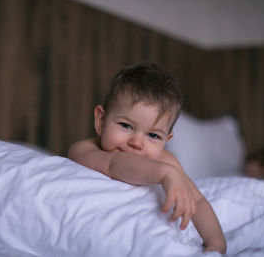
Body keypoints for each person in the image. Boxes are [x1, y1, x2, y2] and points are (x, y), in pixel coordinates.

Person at [68, 62, 227, 253]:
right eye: (126, 125)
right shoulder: (83, 150)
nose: (137, 142)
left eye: (153, 136)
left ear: (166, 140)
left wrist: (216, 243)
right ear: (101, 121)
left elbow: (197, 201)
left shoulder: (166, 161)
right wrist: (165, 174)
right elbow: (115, 165)